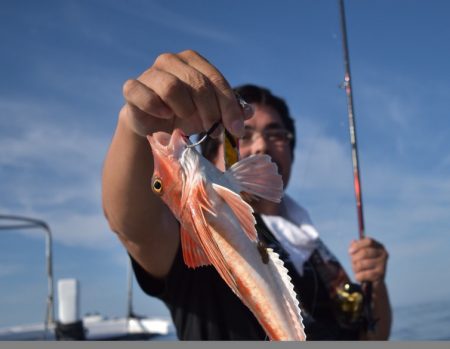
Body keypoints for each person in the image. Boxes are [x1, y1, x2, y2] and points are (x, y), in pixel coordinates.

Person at [102, 50, 392, 340]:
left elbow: (372, 337)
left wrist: (376, 284)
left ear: (292, 149)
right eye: (243, 134)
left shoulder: (314, 249)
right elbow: (132, 227)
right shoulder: (188, 239)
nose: (262, 146)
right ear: (212, 153)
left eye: (275, 135)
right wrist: (134, 125)